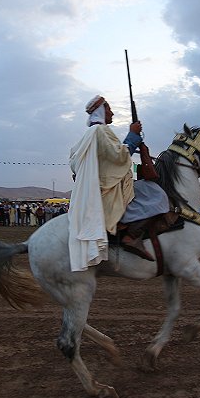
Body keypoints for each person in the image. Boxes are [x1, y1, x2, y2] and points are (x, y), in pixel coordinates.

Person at [67, 95, 172, 272]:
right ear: (102, 111)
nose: (112, 113)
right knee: (155, 193)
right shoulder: (100, 131)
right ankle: (131, 235)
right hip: (110, 187)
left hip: (108, 184)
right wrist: (132, 134)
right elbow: (119, 156)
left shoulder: (91, 134)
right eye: (109, 109)